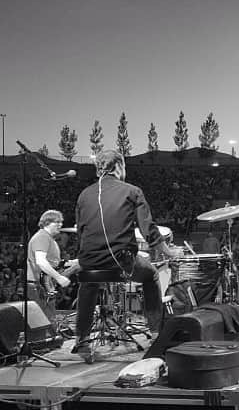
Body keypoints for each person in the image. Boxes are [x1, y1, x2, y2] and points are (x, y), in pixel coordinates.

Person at [72, 150, 174, 353]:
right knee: (151, 275)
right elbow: (147, 228)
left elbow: (80, 231)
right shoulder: (132, 191)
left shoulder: (84, 195)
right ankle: (156, 335)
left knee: (88, 283)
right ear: (118, 166)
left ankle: (81, 340)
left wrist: (83, 260)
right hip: (121, 261)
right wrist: (167, 251)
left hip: (89, 260)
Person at [26, 209, 75, 324]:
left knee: (48, 320)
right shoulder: (42, 237)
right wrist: (59, 277)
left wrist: (71, 263)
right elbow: (41, 261)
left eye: (61, 222)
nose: (60, 225)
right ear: (47, 223)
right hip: (38, 285)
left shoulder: (48, 238)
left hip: (43, 284)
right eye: (57, 222)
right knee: (46, 321)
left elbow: (53, 263)